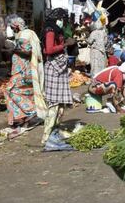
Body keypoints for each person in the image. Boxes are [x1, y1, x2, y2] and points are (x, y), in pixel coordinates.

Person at [4, 16, 47, 127]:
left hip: (22, 69)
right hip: (26, 70)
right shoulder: (27, 33)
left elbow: (27, 51)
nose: (12, 30)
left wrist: (12, 49)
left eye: (12, 27)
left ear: (17, 26)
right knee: (26, 92)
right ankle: (25, 117)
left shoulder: (24, 34)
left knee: (10, 90)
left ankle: (31, 111)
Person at [42, 8, 73, 143]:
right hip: (53, 68)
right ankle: (47, 136)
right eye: (62, 19)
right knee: (54, 103)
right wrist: (66, 44)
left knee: (60, 103)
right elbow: (48, 50)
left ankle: (55, 131)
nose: (63, 22)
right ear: (57, 19)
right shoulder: (50, 30)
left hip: (59, 66)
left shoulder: (56, 30)